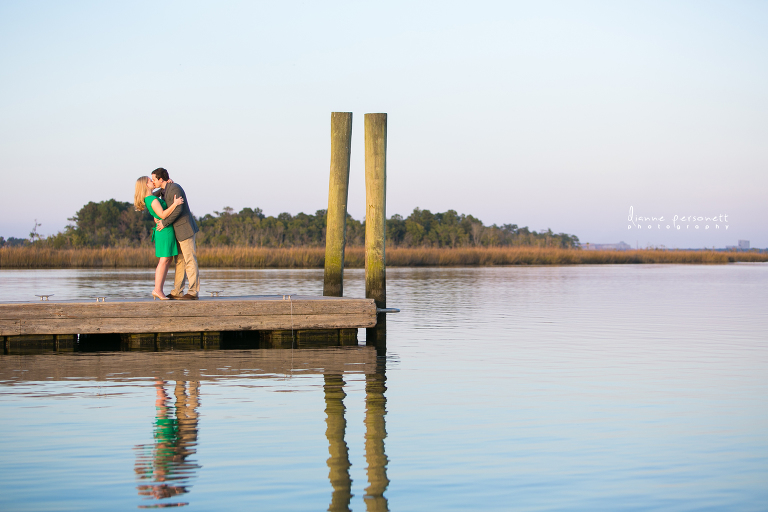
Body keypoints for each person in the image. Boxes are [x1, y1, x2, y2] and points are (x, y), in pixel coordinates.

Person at [151, 168, 200, 300]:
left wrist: (164, 223)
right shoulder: (165, 190)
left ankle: (193, 292)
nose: (153, 182)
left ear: (161, 179)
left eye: (154, 179)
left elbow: (178, 209)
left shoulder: (175, 188)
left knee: (190, 260)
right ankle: (177, 292)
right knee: (179, 261)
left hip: (184, 229)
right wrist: (158, 187)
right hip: (175, 231)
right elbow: (151, 197)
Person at [134, 176, 184, 300]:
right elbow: (162, 214)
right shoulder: (152, 199)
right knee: (164, 260)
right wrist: (175, 204)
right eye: (150, 181)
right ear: (146, 185)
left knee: (167, 260)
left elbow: (158, 212)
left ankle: (159, 289)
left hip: (165, 229)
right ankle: (157, 290)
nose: (152, 182)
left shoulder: (150, 198)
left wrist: (166, 184)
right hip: (164, 231)